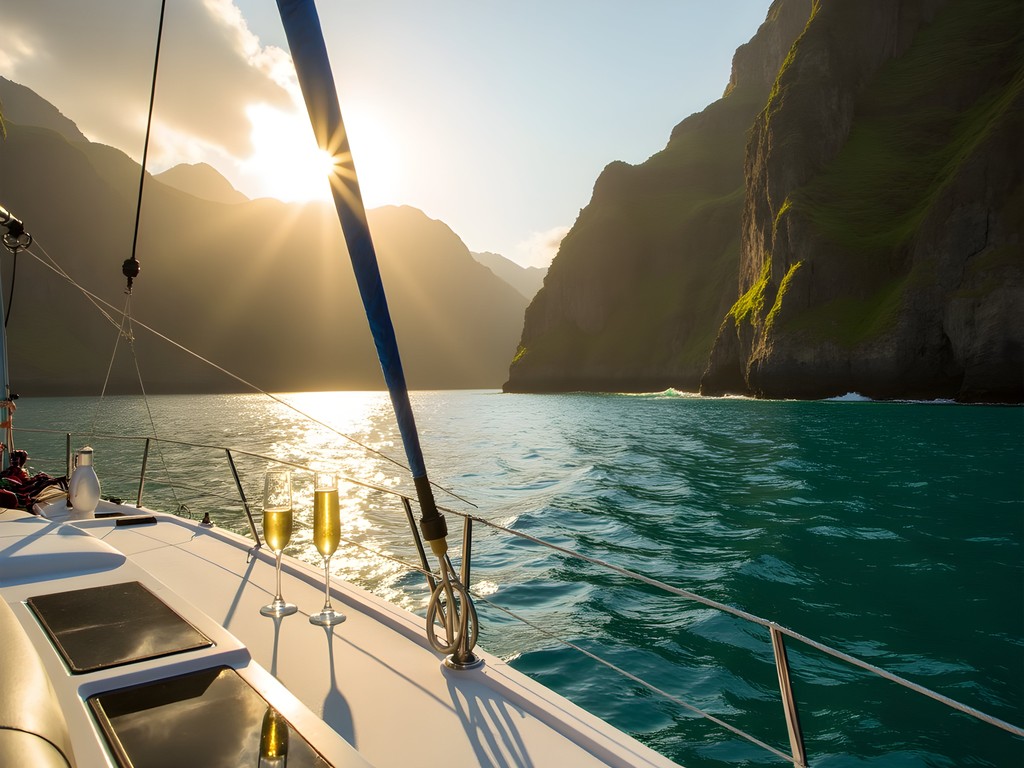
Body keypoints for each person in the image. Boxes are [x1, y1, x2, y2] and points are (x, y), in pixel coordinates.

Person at [0, 448, 67, 509]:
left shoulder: (13, 471)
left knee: (41, 479)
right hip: (16, 486)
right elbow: (22, 485)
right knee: (40, 481)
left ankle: (56, 481)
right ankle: (57, 481)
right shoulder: (14, 472)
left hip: (15, 484)